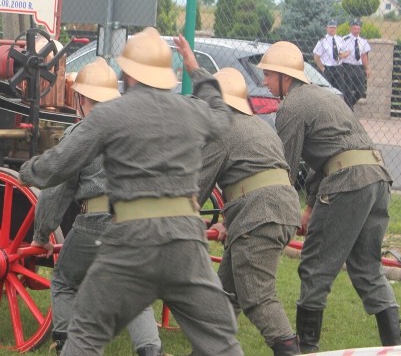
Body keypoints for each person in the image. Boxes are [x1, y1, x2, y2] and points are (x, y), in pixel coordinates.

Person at [20, 28, 242, 356]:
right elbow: (223, 117)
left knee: (86, 333)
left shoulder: (109, 115)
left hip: (130, 244)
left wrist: (26, 171)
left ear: (127, 75)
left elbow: (58, 166)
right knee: (221, 339)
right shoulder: (192, 112)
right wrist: (196, 70)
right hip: (186, 243)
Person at [258, 41, 399, 352]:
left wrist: (276, 212)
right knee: (367, 268)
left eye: (268, 75)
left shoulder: (292, 106)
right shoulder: (325, 97)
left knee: (314, 267)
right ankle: (396, 346)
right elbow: (330, 155)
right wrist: (309, 208)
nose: (265, 82)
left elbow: (285, 169)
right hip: (377, 179)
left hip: (347, 183)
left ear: (286, 77)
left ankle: (307, 348)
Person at [30, 59, 164, 356]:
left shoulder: (80, 135)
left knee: (65, 281)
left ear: (80, 99)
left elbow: (54, 192)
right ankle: (150, 350)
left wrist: (41, 235)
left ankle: (68, 345)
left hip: (96, 224)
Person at [198, 67, 301, 355]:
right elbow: (252, 177)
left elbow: (194, 190)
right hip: (278, 208)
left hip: (259, 213)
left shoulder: (222, 130)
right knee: (227, 294)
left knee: (257, 296)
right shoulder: (259, 126)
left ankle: (290, 351)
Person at [340, 18, 371, 109]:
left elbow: (364, 55)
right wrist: (343, 55)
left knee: (360, 90)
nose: (356, 31)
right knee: (348, 90)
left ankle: (347, 107)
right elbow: (339, 53)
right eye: (354, 28)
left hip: (358, 67)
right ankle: (349, 109)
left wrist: (367, 68)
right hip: (347, 66)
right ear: (350, 29)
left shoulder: (363, 41)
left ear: (360, 29)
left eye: (358, 29)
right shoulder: (344, 39)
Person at [312, 19, 349, 96]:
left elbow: (346, 51)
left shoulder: (340, 39)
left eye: (334, 27)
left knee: (340, 91)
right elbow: (316, 56)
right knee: (327, 91)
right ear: (327, 28)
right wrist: (322, 68)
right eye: (330, 27)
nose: (332, 29)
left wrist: (343, 55)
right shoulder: (322, 41)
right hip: (327, 68)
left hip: (338, 68)